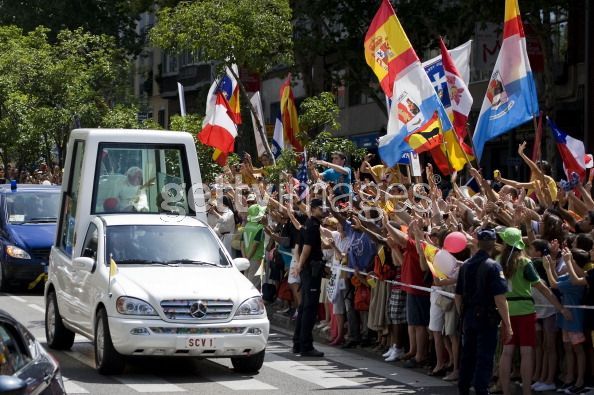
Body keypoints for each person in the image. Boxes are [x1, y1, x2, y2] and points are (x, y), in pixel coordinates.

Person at [455, 228, 512, 395]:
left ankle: (463, 389)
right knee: (484, 358)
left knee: (468, 356)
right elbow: (500, 298)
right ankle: (481, 390)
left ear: (477, 243)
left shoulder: (465, 265)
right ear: (493, 244)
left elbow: (457, 296)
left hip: (469, 316)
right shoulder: (493, 266)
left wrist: (463, 315)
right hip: (486, 318)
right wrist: (508, 325)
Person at [292, 198, 326, 357]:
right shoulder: (312, 226)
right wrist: (299, 265)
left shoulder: (306, 224)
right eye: (320, 208)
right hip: (311, 270)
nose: (323, 210)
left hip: (307, 269)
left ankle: (298, 343)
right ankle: (306, 346)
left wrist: (299, 264)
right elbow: (305, 248)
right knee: (309, 309)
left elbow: (298, 248)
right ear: (312, 209)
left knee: (303, 306)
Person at [241, 203, 266, 288]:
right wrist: (248, 258)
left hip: (246, 258)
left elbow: (242, 244)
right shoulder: (260, 227)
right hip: (256, 260)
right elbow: (255, 245)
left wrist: (245, 258)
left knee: (245, 283)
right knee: (253, 287)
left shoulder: (246, 226)